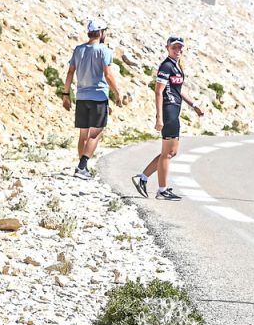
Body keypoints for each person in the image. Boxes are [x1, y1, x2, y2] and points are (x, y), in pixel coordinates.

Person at [132, 36, 204, 201]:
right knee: (168, 153)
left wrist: (193, 105)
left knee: (171, 151)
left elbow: (179, 89)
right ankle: (162, 190)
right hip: (168, 110)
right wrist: (159, 117)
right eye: (174, 48)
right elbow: (158, 91)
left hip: (175, 110)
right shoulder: (166, 66)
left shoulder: (176, 66)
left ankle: (142, 178)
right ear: (167, 48)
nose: (177, 50)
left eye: (180, 48)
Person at [61, 18, 122, 179]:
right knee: (95, 134)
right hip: (98, 97)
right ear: (101, 33)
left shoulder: (78, 50)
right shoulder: (104, 51)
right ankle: (82, 167)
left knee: (83, 134)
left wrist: (66, 94)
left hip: (81, 96)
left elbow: (70, 73)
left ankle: (83, 167)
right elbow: (108, 75)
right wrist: (117, 93)